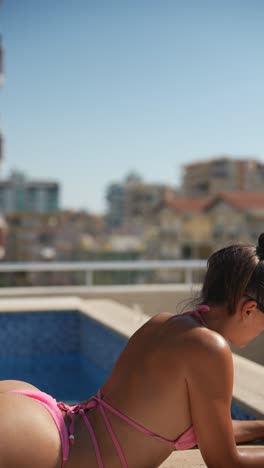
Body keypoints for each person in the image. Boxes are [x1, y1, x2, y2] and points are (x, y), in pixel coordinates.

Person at [2, 236, 264, 467]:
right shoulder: (211, 349)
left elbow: (215, 431)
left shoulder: (164, 323)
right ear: (249, 309)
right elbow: (225, 461)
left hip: (44, 421)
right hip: (55, 448)